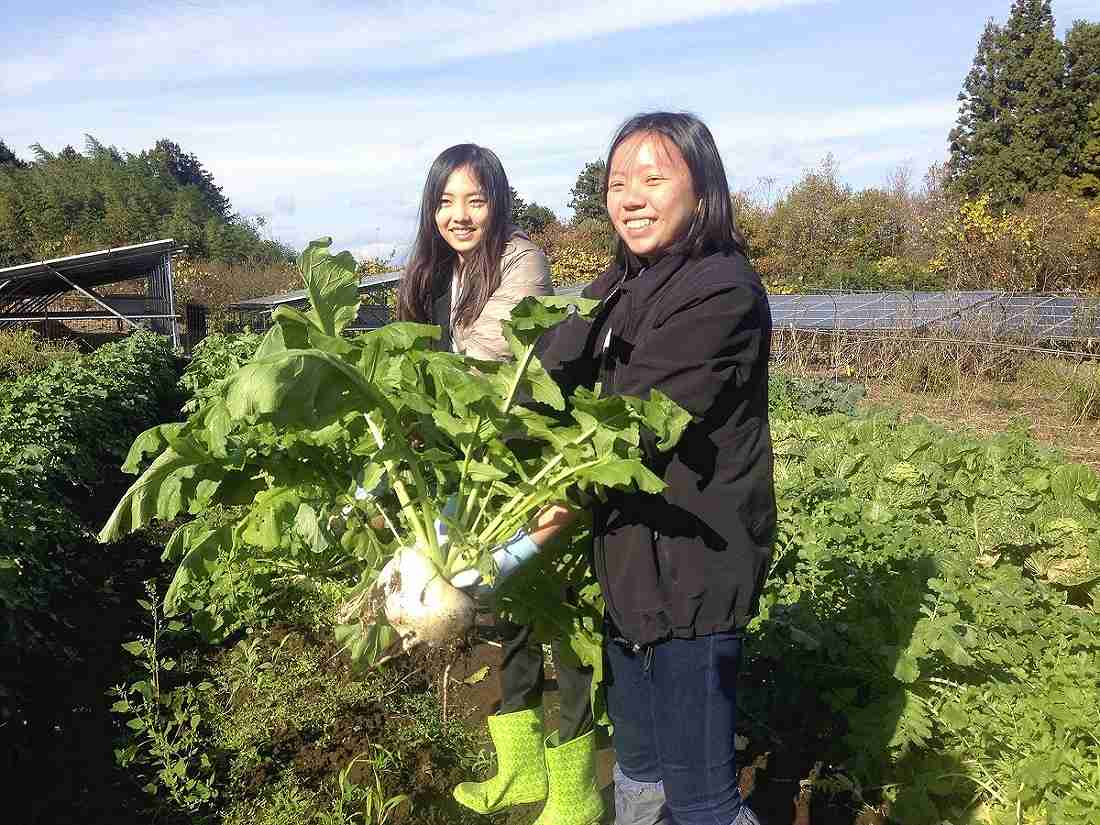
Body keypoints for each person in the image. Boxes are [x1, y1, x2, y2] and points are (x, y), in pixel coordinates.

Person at [466, 112, 775, 824]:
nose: (629, 197)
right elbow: (548, 368)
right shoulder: (618, 281)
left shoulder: (720, 290)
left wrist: (523, 539)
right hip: (632, 567)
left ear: (701, 192)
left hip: (696, 569)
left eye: (652, 180)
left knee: (701, 797)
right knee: (636, 770)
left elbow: (627, 431)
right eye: (615, 184)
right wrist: (462, 429)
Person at [395, 143, 605, 825]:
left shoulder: (522, 259)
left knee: (560, 614)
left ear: (498, 203)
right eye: (447, 200)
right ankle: (519, 769)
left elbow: (488, 359)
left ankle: (574, 790)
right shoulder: (436, 273)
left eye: (475, 200)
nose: (460, 214)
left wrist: (417, 405)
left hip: (535, 454)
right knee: (509, 611)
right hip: (479, 456)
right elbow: (414, 354)